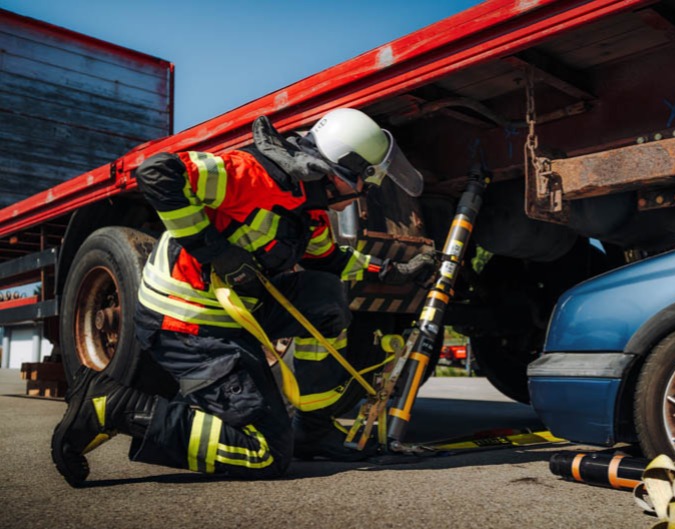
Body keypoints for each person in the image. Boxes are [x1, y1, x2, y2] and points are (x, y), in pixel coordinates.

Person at [52, 108, 435, 486]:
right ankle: (113, 407)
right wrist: (216, 252)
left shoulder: (309, 208)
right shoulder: (251, 175)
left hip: (234, 312)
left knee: (325, 296)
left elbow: (331, 261)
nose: (364, 194)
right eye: (365, 182)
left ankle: (312, 430)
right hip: (186, 319)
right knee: (265, 453)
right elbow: (157, 174)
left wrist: (393, 272)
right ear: (341, 173)